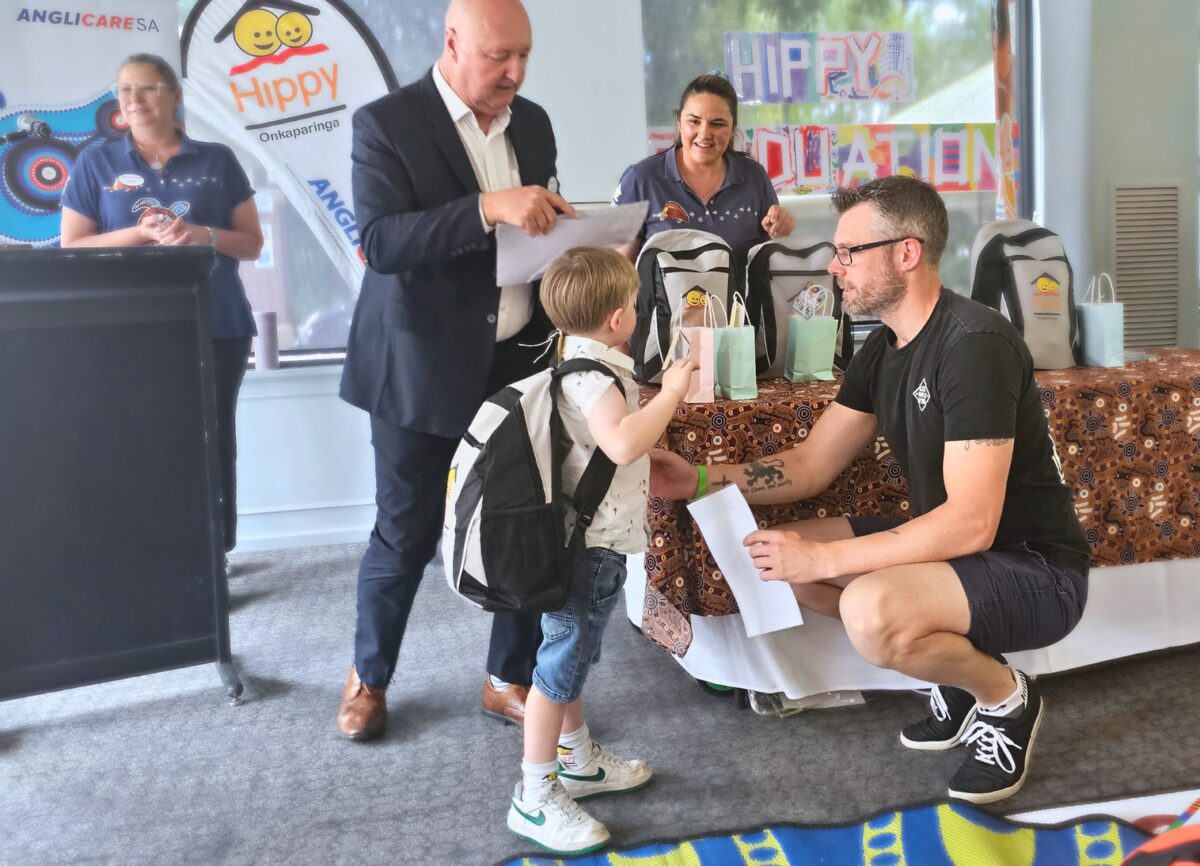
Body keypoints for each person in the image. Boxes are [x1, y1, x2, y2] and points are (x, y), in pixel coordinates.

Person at [650, 175, 1091, 805]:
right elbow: (809, 466)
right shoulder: (883, 348)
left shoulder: (975, 344)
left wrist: (827, 560)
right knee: (774, 554)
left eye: (849, 252)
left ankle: (1004, 697)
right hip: (956, 552)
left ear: (906, 253)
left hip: (1033, 567)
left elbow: (971, 525)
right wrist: (695, 478)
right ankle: (955, 679)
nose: (834, 267)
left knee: (869, 609)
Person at [336, 0, 577, 741]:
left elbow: (535, 231)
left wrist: (580, 240)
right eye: (499, 56)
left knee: (522, 519)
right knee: (406, 530)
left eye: (525, 55)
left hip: (515, 359)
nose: (515, 72)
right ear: (451, 43)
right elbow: (381, 241)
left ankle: (507, 677)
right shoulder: (386, 124)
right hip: (417, 366)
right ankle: (369, 678)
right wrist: (485, 207)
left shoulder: (531, 122)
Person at [507, 247, 697, 854]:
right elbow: (618, 443)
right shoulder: (595, 376)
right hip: (587, 548)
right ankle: (533, 797)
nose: (638, 314)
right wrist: (670, 392)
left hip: (584, 542)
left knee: (570, 657)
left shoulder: (575, 359)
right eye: (636, 307)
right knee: (557, 670)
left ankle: (578, 759)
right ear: (618, 318)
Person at [60, 53, 264, 560]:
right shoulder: (96, 162)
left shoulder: (218, 160)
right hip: (127, 329)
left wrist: (201, 234)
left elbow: (252, 244)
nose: (134, 100)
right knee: (138, 438)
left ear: (175, 96)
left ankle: (215, 554)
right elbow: (73, 247)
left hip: (217, 323)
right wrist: (141, 233)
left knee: (212, 438)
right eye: (125, 90)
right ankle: (151, 556)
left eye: (147, 88)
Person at [613, 73, 795, 268]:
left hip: (737, 299)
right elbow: (618, 270)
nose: (704, 133)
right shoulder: (640, 180)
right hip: (662, 300)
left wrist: (780, 226)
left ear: (733, 128)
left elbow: (764, 256)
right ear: (679, 122)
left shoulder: (753, 176)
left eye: (717, 124)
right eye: (694, 121)